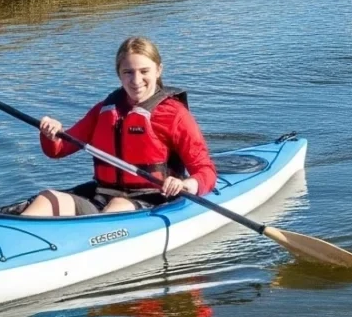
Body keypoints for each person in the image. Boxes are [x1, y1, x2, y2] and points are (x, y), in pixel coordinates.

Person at [15, 36, 217, 217]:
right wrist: (51, 133)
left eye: (144, 71)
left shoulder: (175, 115)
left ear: (158, 70)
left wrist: (185, 184)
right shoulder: (104, 110)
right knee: (47, 197)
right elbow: (59, 150)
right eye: (128, 72)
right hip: (103, 196)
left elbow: (205, 171)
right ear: (119, 74)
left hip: (153, 199)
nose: (136, 80)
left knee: (119, 205)